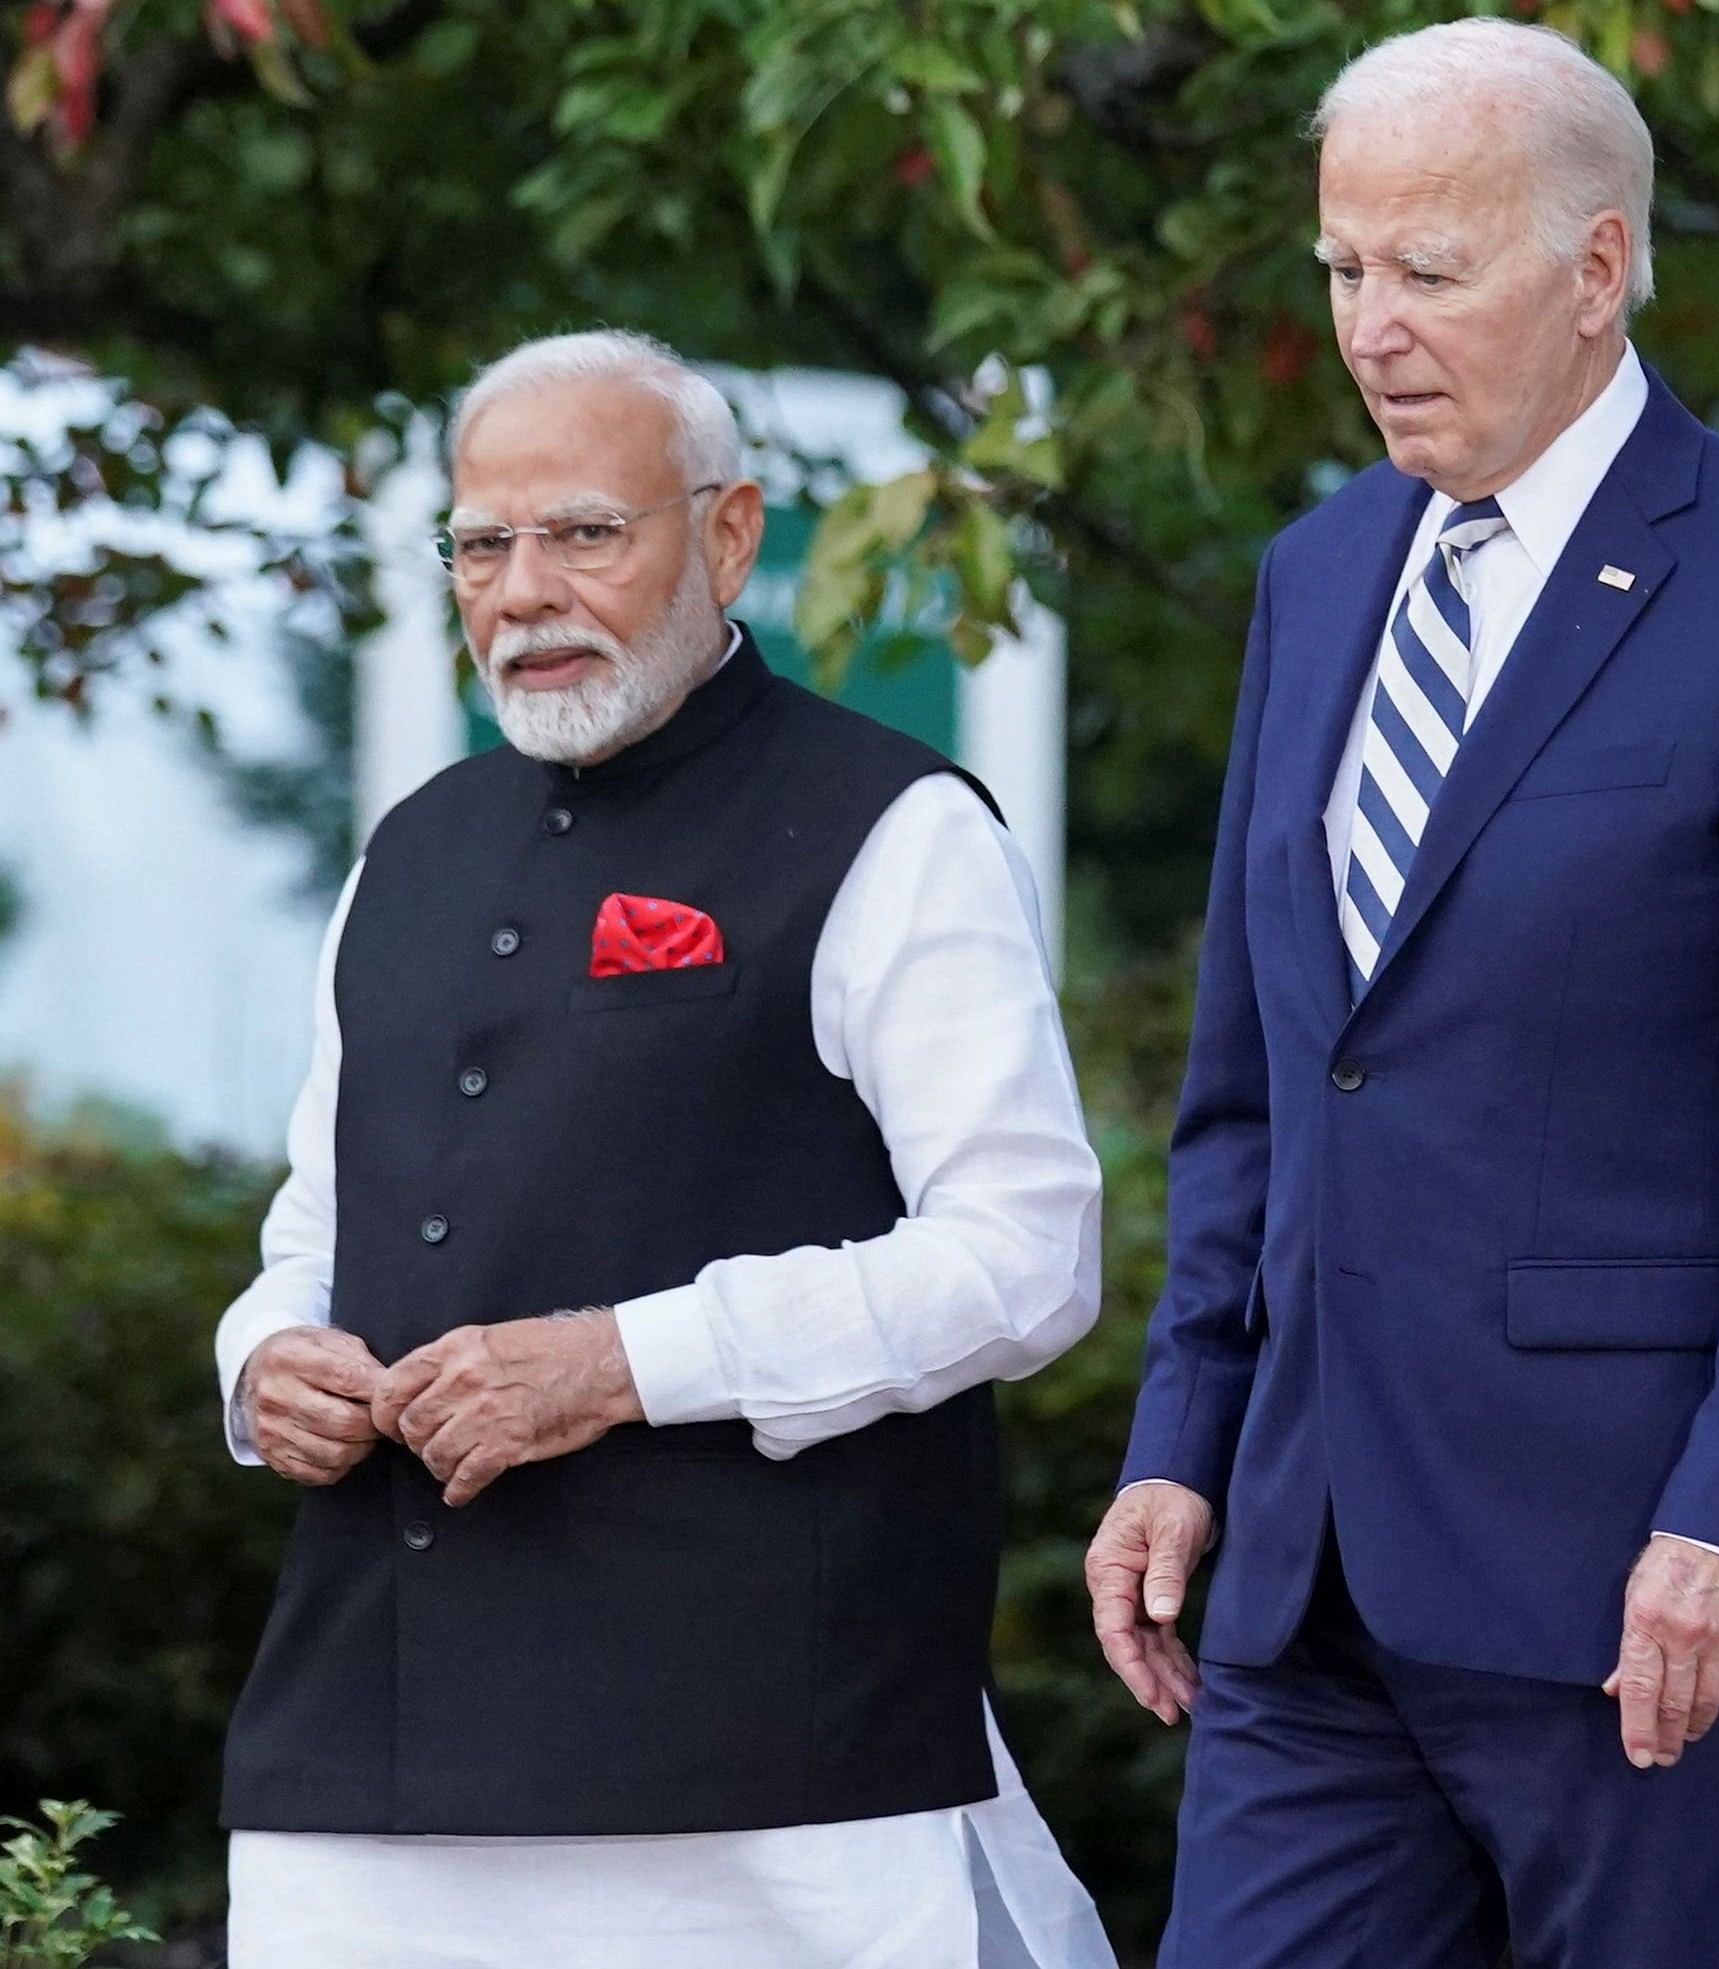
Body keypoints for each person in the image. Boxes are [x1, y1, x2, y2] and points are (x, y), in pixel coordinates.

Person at [1080, 20, 1719, 1969]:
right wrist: (1180, 1433)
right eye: (1340, 269)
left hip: (1635, 1577)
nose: (1371, 324)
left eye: (1428, 268)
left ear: (1593, 270)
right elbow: (1260, 1082)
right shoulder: (1316, 575)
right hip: (1309, 1568)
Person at [211, 329, 1116, 1969]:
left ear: (728, 533)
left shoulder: (899, 827)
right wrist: (264, 1361)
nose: (524, 590)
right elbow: (315, 1230)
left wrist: (628, 1359)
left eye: (584, 533)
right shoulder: (403, 852)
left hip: (775, 1771)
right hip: (369, 1752)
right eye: (482, 545)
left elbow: (1027, 1256)